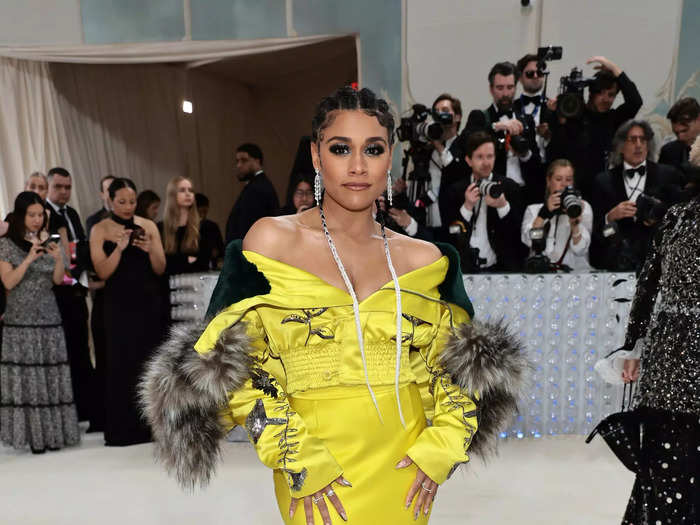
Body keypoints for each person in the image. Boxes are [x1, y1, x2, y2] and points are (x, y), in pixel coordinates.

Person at [140, 87, 525, 524]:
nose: (358, 166)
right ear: (316, 156)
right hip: (312, 465)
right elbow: (234, 363)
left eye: (373, 149)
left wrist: (441, 450)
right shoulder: (272, 240)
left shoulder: (424, 259)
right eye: (341, 148)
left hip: (404, 468)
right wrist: (295, 455)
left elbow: (456, 372)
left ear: (391, 157)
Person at [618, 137, 700, 524]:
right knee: (669, 462)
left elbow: (647, 285)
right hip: (672, 353)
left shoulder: (677, 216)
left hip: (671, 350)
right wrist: (633, 347)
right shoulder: (677, 217)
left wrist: (634, 345)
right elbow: (648, 284)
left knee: (670, 465)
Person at [0, 191, 80, 453]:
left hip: (49, 315)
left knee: (51, 375)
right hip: (20, 320)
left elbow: (58, 280)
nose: (36, 220)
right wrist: (29, 259)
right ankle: (34, 438)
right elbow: (9, 281)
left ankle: (54, 434)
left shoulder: (49, 241)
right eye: (31, 215)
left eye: (40, 215)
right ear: (20, 216)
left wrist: (58, 259)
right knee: (29, 379)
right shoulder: (6, 244)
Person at [90, 178, 166, 446]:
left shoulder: (148, 226)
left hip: (147, 302)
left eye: (131, 202)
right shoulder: (100, 229)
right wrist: (120, 248)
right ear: (110, 200)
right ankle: (124, 429)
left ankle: (152, 427)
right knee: (121, 363)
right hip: (118, 305)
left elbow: (160, 267)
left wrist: (148, 249)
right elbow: (102, 272)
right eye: (121, 202)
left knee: (149, 363)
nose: (127, 207)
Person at [590, 120, 681, 272]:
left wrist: (658, 215)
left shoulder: (668, 175)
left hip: (658, 261)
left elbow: (678, 217)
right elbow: (594, 230)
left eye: (643, 139)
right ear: (621, 146)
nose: (638, 145)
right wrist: (610, 217)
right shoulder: (603, 181)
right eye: (632, 140)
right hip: (617, 262)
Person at [549, 56, 643, 201]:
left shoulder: (613, 119)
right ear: (591, 93)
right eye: (600, 92)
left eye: (611, 95)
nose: (605, 99)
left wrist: (614, 69)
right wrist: (557, 117)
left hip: (599, 190)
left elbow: (635, 101)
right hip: (569, 188)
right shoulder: (573, 115)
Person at [45, 167, 94, 423]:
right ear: (48, 187)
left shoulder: (72, 213)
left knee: (82, 345)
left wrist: (78, 268)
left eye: (68, 187)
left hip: (78, 284)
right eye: (59, 187)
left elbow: (82, 246)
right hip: (57, 290)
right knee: (65, 349)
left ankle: (86, 404)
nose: (64, 192)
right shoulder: (45, 214)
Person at [446, 131, 526, 272]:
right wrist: (467, 207)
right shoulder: (456, 190)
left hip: (501, 270)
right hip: (464, 269)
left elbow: (519, 236)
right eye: (480, 157)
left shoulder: (509, 187)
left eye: (490, 156)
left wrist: (503, 206)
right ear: (469, 160)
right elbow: (449, 236)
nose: (486, 163)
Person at [460, 62, 540, 199]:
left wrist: (524, 153)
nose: (505, 94)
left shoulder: (526, 120)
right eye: (500, 88)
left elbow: (537, 163)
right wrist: (497, 126)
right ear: (491, 89)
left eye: (510, 87)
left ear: (516, 88)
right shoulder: (480, 117)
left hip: (524, 193)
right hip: (493, 191)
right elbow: (465, 141)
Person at [521, 159, 593, 271]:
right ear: (548, 181)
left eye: (568, 180)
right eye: (558, 179)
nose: (563, 184)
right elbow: (528, 241)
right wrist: (543, 214)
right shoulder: (534, 210)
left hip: (574, 276)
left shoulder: (583, 207)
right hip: (541, 276)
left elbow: (580, 250)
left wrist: (575, 225)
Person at [514, 54, 557, 204]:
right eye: (530, 73)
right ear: (520, 77)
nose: (535, 76)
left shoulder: (554, 108)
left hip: (545, 178)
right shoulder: (512, 107)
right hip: (517, 176)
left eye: (539, 73)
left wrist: (550, 136)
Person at [225, 143, 280, 244]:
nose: (239, 165)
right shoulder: (255, 186)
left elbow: (249, 226)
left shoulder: (258, 188)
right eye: (237, 161)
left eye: (244, 160)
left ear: (257, 161)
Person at [159, 176, 212, 275]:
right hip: (168, 285)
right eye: (182, 190)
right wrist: (186, 259)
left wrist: (176, 260)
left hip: (196, 283)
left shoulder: (205, 226)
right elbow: (163, 264)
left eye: (191, 190)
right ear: (173, 195)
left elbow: (203, 262)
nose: (188, 194)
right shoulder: (160, 228)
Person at [658, 97, 700, 173]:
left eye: (684, 131)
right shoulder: (668, 152)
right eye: (676, 133)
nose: (680, 137)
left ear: (698, 119)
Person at [195, 192, 224, 269]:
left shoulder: (212, 226)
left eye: (205, 212)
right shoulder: (187, 229)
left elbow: (221, 250)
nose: (203, 216)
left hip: (211, 267)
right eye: (200, 212)